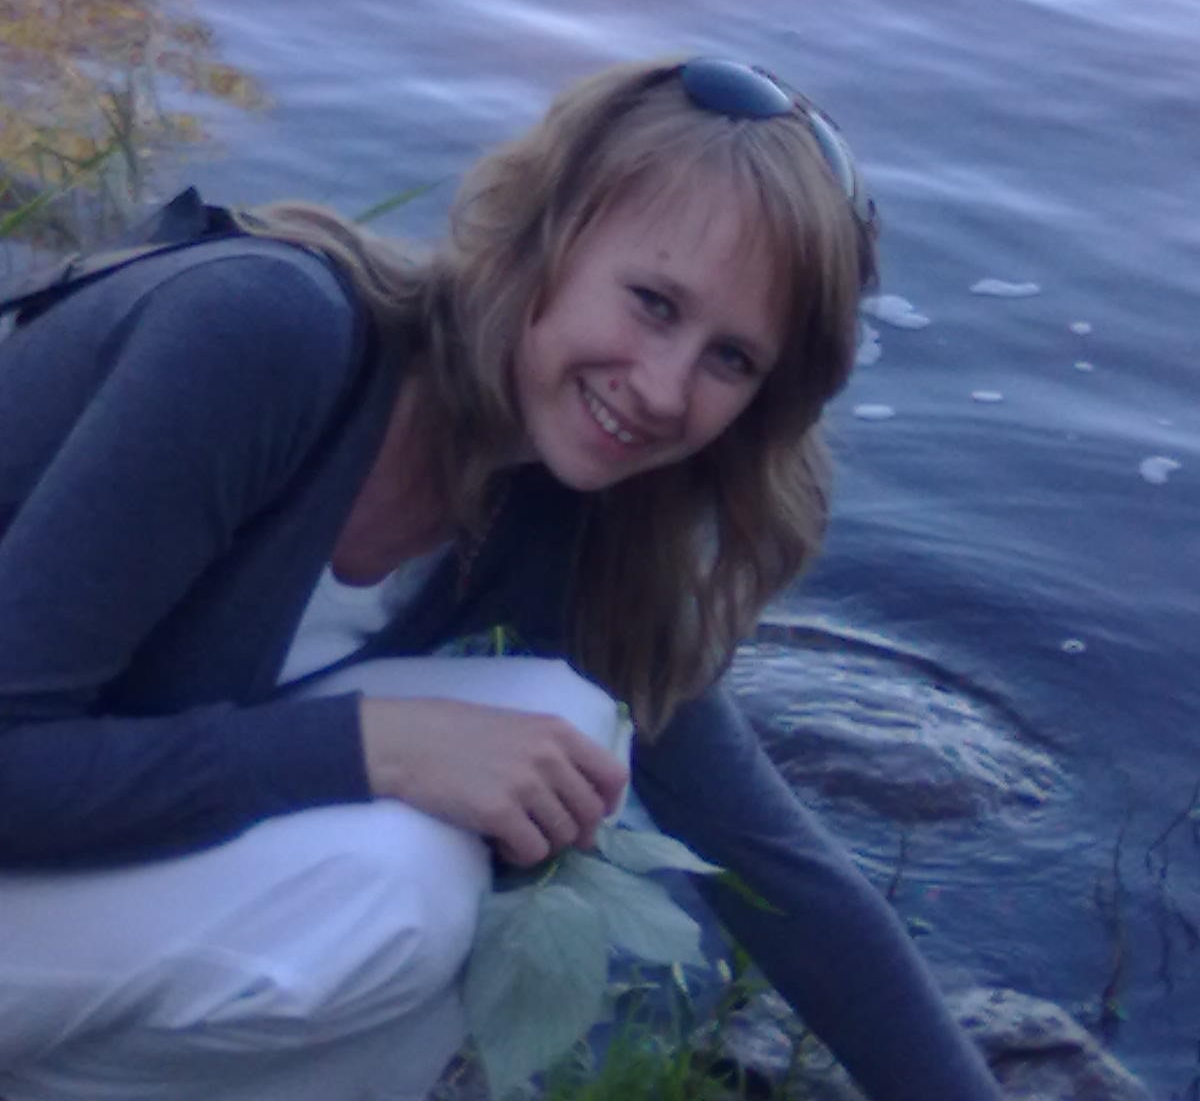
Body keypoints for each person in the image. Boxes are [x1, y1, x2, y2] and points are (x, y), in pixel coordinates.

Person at [0, 58, 1001, 1101]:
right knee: (402, 878)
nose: (665, 391)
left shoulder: (559, 516)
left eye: (732, 359)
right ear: (544, 233)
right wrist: (373, 747)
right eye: (653, 302)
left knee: (561, 736)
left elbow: (771, 858)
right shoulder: (264, 337)